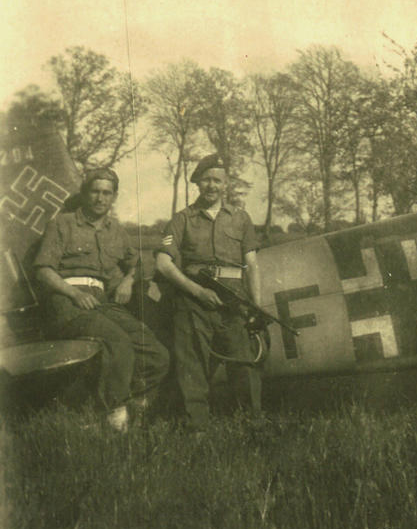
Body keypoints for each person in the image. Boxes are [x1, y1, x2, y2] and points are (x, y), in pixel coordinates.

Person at [33, 167, 169, 431]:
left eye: (107, 193)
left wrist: (128, 281)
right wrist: (73, 293)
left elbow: (139, 264)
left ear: (114, 197)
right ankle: (113, 417)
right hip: (66, 301)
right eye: (95, 191)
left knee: (156, 353)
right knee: (117, 341)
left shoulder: (115, 230)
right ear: (85, 193)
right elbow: (43, 270)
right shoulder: (63, 223)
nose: (100, 198)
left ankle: (131, 408)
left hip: (102, 302)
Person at [155, 154, 262, 430]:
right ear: (197, 183)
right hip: (193, 299)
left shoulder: (241, 219)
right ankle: (197, 429)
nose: (211, 186)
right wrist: (197, 292)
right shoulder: (182, 220)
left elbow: (251, 265)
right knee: (192, 365)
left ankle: (252, 425)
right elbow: (163, 264)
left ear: (226, 184)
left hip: (233, 300)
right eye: (206, 180)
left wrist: (256, 307)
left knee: (243, 362)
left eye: (217, 180)